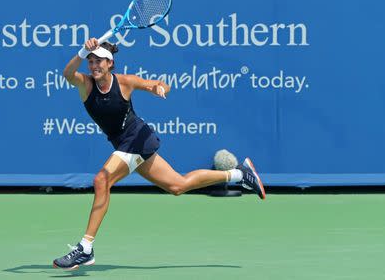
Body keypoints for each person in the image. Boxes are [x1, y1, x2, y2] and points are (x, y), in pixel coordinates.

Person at [53, 38, 266, 270]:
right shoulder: (86, 84)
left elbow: (157, 84)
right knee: (178, 185)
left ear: (110, 63)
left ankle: (85, 247)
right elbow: (67, 73)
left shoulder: (124, 82)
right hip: (124, 144)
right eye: (90, 61)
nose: (94, 66)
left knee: (102, 180)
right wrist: (83, 50)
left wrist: (159, 88)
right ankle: (239, 175)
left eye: (99, 61)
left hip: (138, 138)